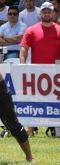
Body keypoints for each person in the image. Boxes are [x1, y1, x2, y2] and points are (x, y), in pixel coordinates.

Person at [20, 2, 60, 136]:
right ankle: (31, 131)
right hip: (35, 72)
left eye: (49, 11)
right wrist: (22, 65)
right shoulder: (31, 30)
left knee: (57, 100)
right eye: (44, 11)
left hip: (56, 72)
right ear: (40, 13)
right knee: (32, 100)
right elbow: (24, 49)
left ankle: (57, 130)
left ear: (54, 14)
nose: (47, 13)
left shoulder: (59, 30)